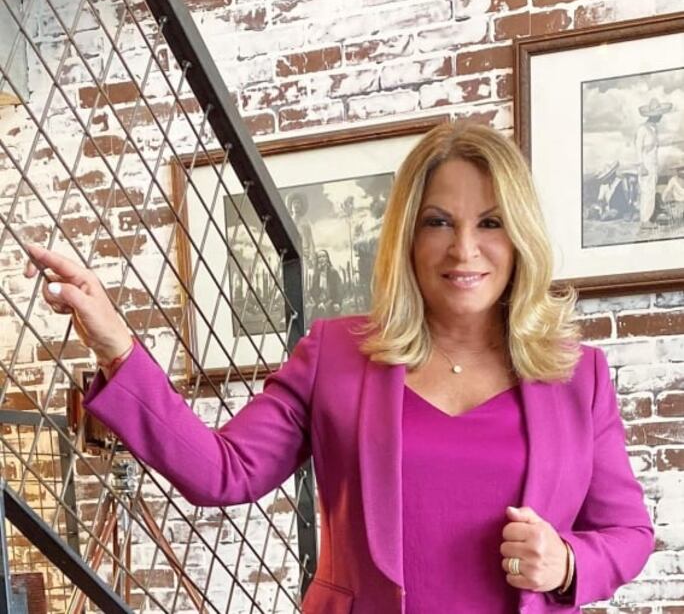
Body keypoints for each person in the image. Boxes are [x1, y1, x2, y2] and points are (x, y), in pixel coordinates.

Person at [23, 122, 654, 613]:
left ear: (520, 235)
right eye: (438, 222)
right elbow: (224, 472)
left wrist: (568, 563)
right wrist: (115, 345)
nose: (464, 248)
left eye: (490, 222)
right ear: (408, 237)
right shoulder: (338, 355)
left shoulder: (579, 377)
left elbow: (627, 532)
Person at [635, 97, 672, 229]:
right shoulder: (643, 129)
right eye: (659, 114)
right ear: (653, 116)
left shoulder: (654, 129)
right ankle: (645, 220)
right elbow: (638, 148)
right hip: (645, 165)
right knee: (646, 191)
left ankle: (648, 218)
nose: (661, 116)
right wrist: (641, 165)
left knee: (651, 191)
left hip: (653, 164)